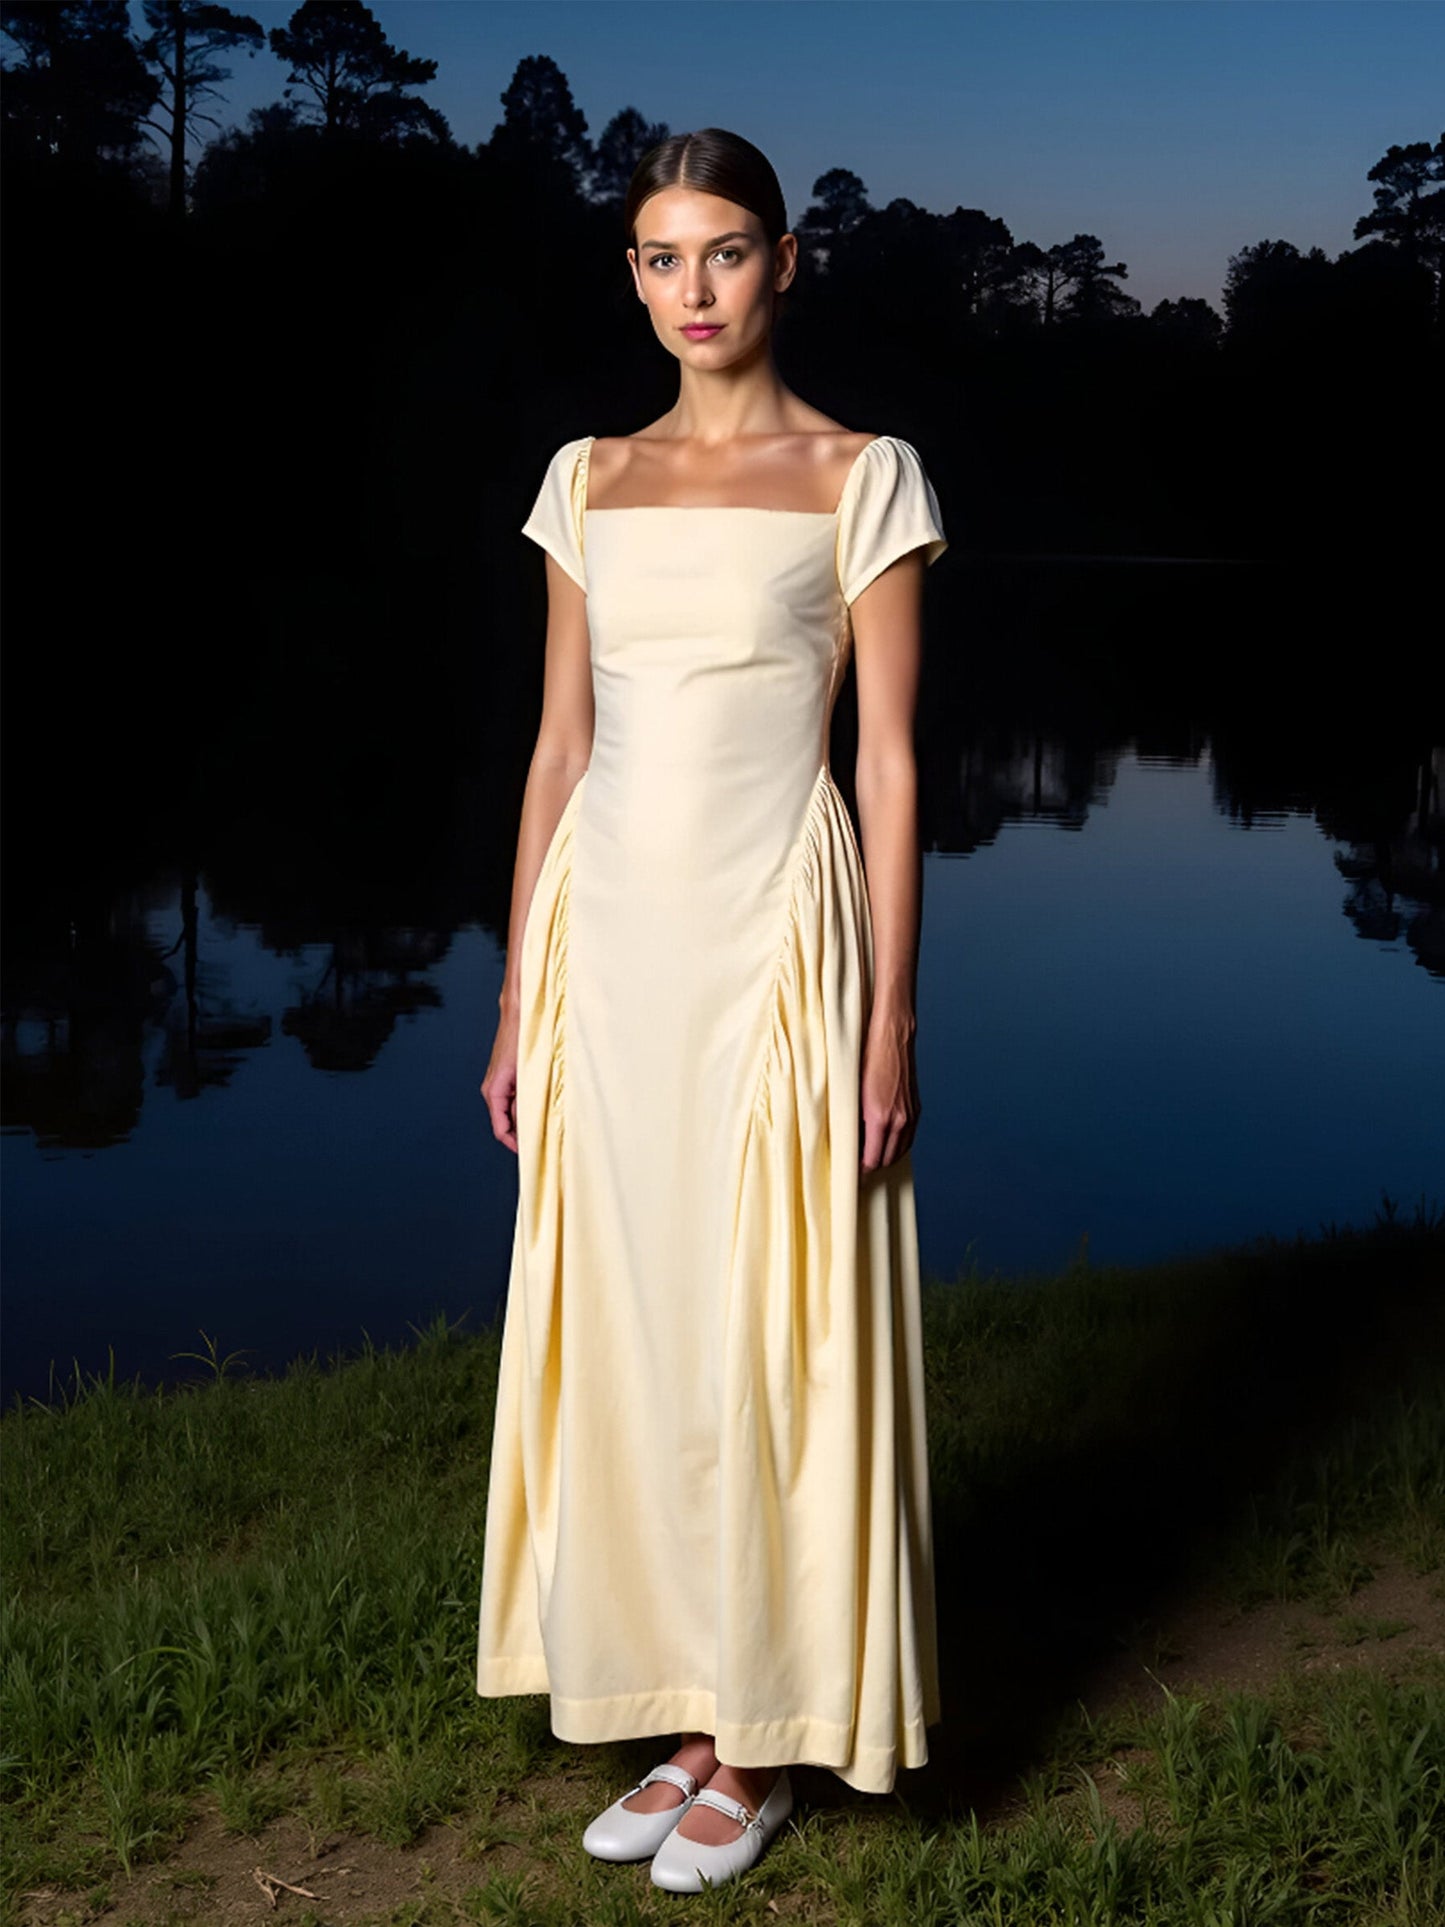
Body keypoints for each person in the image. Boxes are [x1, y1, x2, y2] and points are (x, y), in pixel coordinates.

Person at [476, 126, 946, 1895]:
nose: (694, 288)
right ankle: (682, 1712)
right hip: (609, 950)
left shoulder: (861, 476)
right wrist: (517, 992)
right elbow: (558, 747)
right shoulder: (584, 477)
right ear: (633, 275)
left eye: (725, 251)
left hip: (772, 944)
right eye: (662, 257)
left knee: (767, 1324)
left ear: (783, 262)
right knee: (636, 1324)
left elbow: (888, 764)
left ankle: (761, 1740)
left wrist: (888, 1018)